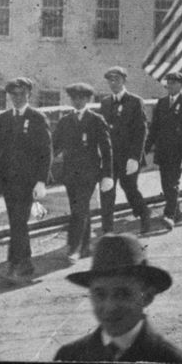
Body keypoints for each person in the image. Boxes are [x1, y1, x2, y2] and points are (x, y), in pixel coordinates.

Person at [55, 233, 182, 363]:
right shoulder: (68, 357)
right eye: (100, 294)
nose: (109, 307)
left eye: (122, 294)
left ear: (147, 297)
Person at [0, 77, 52, 284]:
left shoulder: (37, 118)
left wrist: (41, 181)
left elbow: (45, 152)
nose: (17, 98)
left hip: (28, 181)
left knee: (18, 222)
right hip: (8, 181)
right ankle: (26, 262)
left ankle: (12, 264)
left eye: (21, 94)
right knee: (17, 222)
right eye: (13, 95)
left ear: (29, 95)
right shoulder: (3, 119)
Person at [54, 83, 114, 262]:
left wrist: (107, 175)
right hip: (70, 173)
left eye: (81, 98)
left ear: (88, 99)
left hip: (89, 173)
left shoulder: (96, 120)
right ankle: (86, 246)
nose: (77, 101)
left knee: (79, 210)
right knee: (79, 209)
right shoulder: (65, 121)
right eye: (74, 98)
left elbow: (106, 149)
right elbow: (55, 145)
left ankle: (74, 248)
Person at [99, 66, 150, 234]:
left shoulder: (135, 101)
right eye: (110, 80)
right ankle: (107, 230)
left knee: (129, 189)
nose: (113, 83)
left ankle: (144, 215)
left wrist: (135, 157)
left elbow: (141, 130)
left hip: (129, 157)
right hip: (110, 157)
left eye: (117, 80)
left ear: (124, 81)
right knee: (107, 191)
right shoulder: (105, 102)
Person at [144, 72, 182, 227]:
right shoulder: (161, 103)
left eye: (174, 83)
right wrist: (145, 149)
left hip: (178, 152)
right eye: (169, 83)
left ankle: (169, 215)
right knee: (165, 183)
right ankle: (175, 210)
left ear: (181, 85)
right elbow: (154, 129)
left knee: (172, 183)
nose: (171, 86)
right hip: (163, 151)